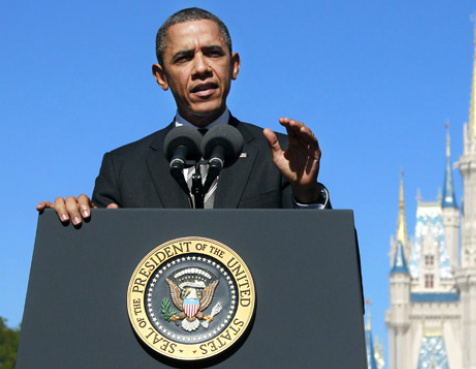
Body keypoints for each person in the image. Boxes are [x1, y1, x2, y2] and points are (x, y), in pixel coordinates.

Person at [37, 7, 329, 226]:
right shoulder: (122, 167)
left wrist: (306, 196)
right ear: (161, 76)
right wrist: (75, 222)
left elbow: (320, 266)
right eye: (184, 58)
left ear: (235, 65)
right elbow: (102, 271)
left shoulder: (278, 155)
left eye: (214, 53)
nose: (201, 68)